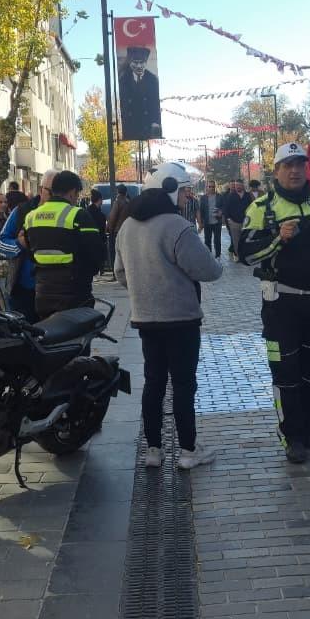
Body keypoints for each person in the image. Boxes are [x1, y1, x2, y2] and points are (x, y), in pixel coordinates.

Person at [239, 142, 310, 463]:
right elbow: (245, 255)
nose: (295, 170)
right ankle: (291, 436)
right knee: (286, 372)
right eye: (288, 165)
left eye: (300, 164)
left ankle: (309, 429)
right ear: (276, 171)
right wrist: (278, 238)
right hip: (280, 305)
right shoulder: (261, 207)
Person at [115, 162, 222, 471]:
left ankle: (153, 450)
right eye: (185, 192)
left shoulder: (127, 227)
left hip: (145, 318)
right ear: (170, 189)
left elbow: (120, 273)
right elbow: (207, 270)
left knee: (154, 382)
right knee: (184, 385)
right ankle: (188, 451)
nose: (188, 199)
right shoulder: (177, 226)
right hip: (181, 319)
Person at [24, 171, 106, 319]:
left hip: (43, 294)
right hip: (75, 293)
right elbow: (97, 252)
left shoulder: (31, 217)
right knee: (77, 339)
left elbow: (30, 252)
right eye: (77, 194)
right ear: (73, 192)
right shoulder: (78, 215)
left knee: (50, 336)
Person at [0, 169, 59, 320]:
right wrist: (19, 244)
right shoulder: (21, 212)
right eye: (50, 191)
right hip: (24, 290)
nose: (53, 197)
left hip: (56, 290)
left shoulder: (66, 213)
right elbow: (0, 243)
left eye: (58, 192)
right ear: (40, 190)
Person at [117, 45, 163, 140]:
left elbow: (155, 104)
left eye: (142, 62)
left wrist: (155, 123)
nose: (139, 66)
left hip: (147, 127)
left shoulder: (153, 80)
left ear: (146, 63)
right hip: (131, 128)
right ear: (130, 62)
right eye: (135, 62)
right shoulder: (123, 79)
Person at [223, 180, 251, 257]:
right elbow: (226, 209)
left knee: (245, 239)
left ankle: (245, 254)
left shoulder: (248, 195)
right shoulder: (231, 196)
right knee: (236, 241)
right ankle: (237, 255)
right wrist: (229, 220)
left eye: (239, 185)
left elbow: (252, 208)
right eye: (236, 185)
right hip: (234, 222)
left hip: (246, 222)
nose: (237, 187)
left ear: (242, 185)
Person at [197, 181, 224, 258]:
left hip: (217, 222)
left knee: (217, 240)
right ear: (207, 187)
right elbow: (201, 210)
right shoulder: (203, 198)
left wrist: (221, 212)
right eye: (210, 186)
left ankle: (218, 256)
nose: (211, 188)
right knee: (207, 240)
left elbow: (224, 207)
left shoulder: (220, 196)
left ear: (215, 187)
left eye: (213, 187)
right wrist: (200, 223)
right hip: (207, 222)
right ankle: (209, 257)